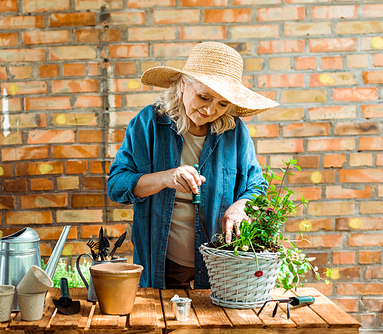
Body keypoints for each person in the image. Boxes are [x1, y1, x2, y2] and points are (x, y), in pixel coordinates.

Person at [107, 42, 279, 289]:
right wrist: (165, 178)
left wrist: (241, 206)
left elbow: (256, 187)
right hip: (163, 265)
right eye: (204, 97)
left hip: (221, 263)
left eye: (222, 104)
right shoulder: (147, 123)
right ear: (183, 83)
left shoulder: (235, 131)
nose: (210, 110)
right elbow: (116, 186)